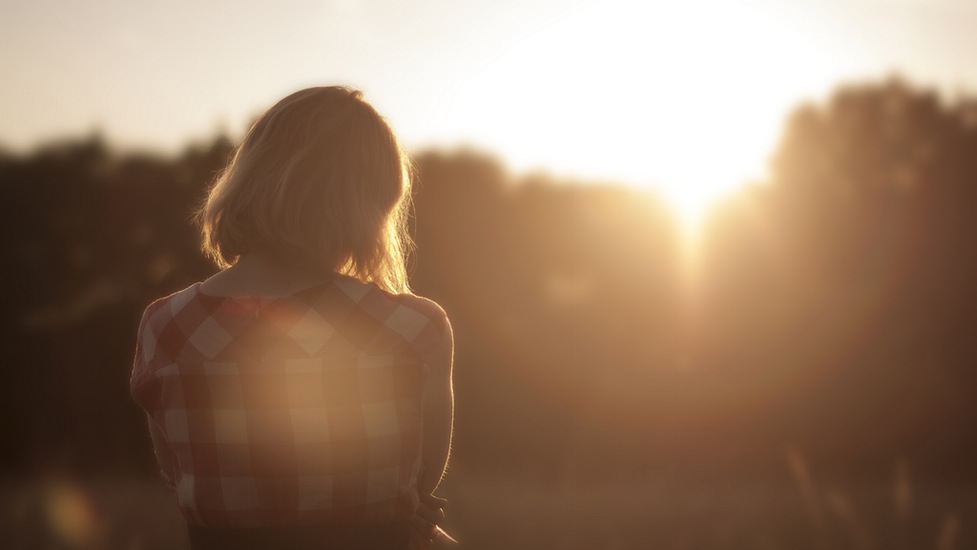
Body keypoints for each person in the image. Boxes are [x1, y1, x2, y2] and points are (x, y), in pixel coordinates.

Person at [130, 86, 454, 550]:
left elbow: (179, 475)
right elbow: (417, 485)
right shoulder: (413, 327)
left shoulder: (166, 326)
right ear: (372, 203)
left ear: (250, 177)